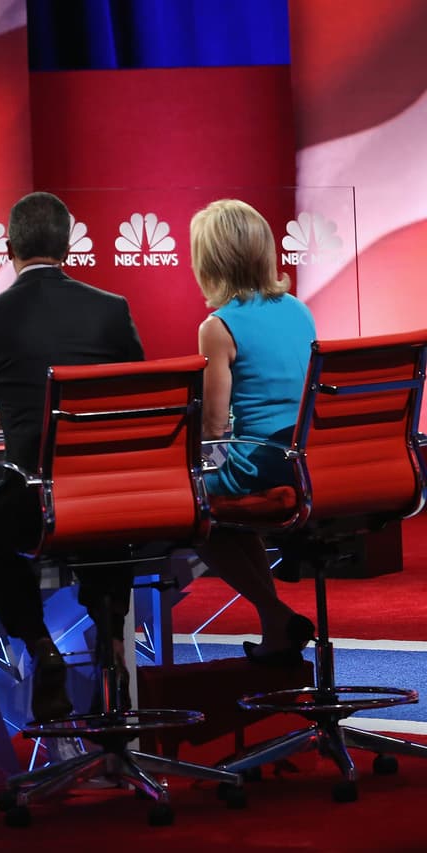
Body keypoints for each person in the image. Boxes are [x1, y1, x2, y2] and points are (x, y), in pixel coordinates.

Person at [0, 191, 145, 722]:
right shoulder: (112, 311)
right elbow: (139, 410)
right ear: (70, 246)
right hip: (113, 501)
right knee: (108, 513)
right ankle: (112, 638)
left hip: (34, 506)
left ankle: (40, 646)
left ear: (7, 247)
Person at [190, 198, 316, 666]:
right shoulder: (299, 310)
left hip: (262, 461)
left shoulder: (217, 326)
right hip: (306, 460)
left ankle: (274, 613)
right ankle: (275, 627)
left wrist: (197, 472)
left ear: (209, 261)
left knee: (198, 508)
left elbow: (215, 429)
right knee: (224, 509)